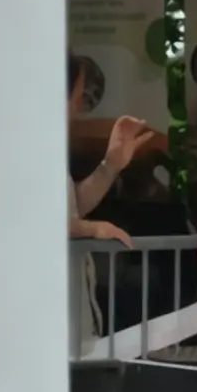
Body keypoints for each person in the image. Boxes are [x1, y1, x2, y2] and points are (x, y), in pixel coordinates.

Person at [66, 51, 156, 356]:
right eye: (77, 95)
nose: (79, 106)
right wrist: (90, 229)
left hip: (73, 310)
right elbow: (29, 218)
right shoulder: (16, 146)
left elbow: (73, 206)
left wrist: (111, 164)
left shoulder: (47, 145)